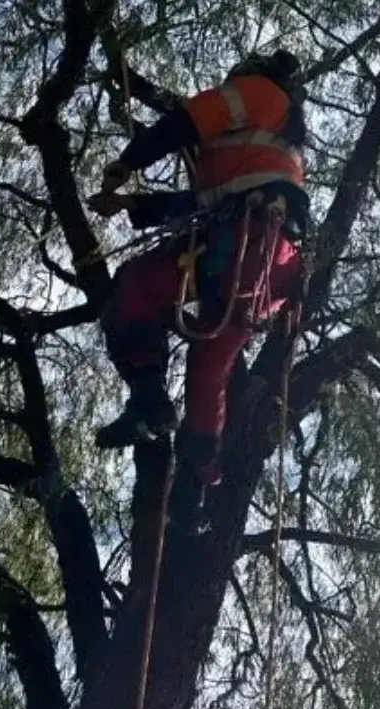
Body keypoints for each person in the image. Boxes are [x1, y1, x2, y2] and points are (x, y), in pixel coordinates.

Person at [87, 50, 312, 524]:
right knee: (210, 365)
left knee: (138, 285)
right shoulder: (266, 145)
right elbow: (199, 200)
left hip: (242, 238)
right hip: (266, 266)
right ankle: (193, 488)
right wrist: (132, 203)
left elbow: (184, 122)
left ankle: (148, 395)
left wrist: (127, 162)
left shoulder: (258, 94)